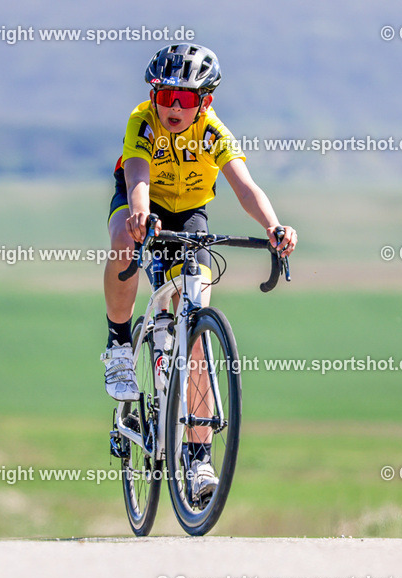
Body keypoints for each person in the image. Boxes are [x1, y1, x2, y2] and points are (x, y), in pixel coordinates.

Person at [102, 43, 298, 499]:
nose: (173, 106)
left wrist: (273, 227)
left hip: (190, 213)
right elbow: (137, 176)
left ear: (204, 102)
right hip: (141, 203)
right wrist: (138, 215)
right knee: (122, 241)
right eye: (166, 95)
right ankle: (117, 342)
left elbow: (245, 187)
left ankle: (199, 461)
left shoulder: (213, 132)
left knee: (195, 334)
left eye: (186, 99)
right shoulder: (142, 122)